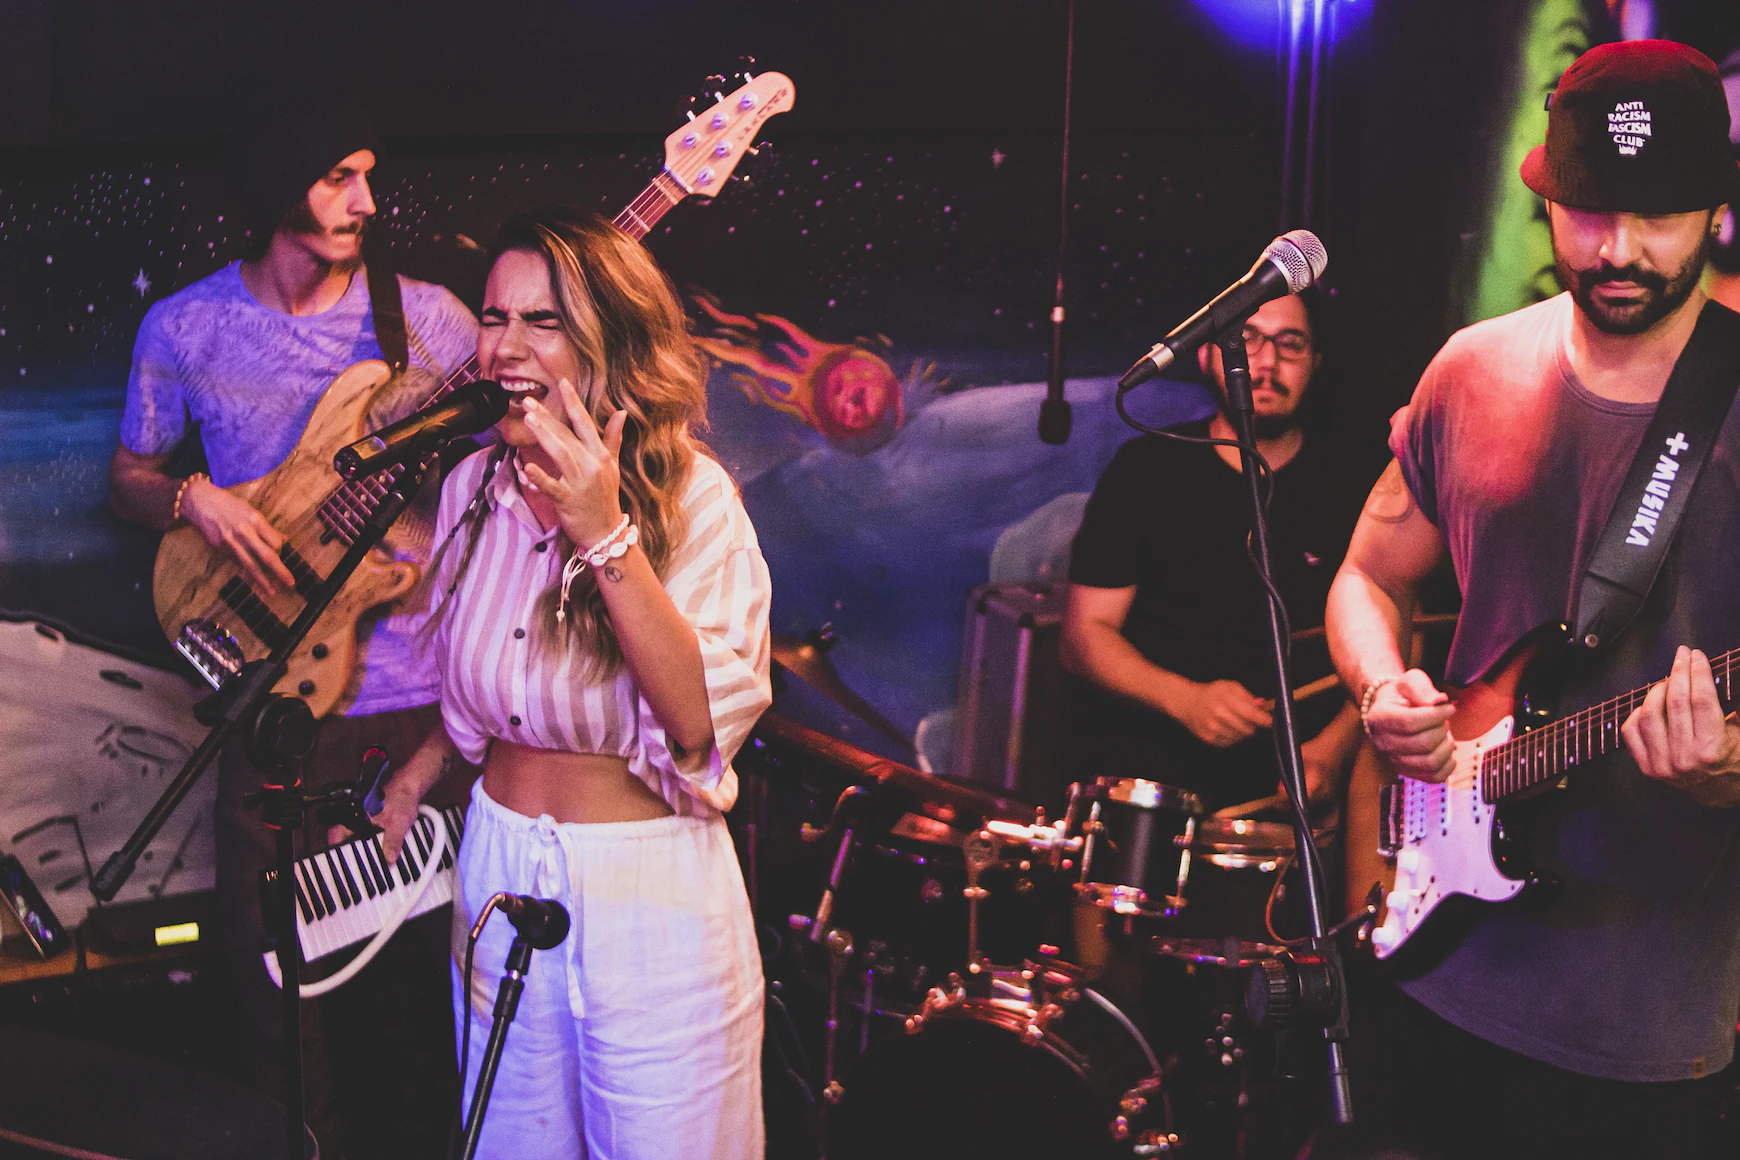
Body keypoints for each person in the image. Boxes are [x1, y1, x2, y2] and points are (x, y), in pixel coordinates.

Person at [1324, 39, 1740, 1159]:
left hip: (1637, 1027)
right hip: (1428, 969)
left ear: (1718, 212)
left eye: (1658, 216)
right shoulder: (1470, 367)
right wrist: (1383, 687)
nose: (1617, 250)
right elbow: (1368, 573)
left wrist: (1728, 765)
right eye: (1588, 212)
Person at [107, 104, 478, 1158]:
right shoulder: (186, 327)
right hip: (271, 698)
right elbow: (129, 477)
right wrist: (193, 501)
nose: (366, 200)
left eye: (368, 174)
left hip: (416, 707)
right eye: (336, 177)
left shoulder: (432, 323)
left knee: (422, 992)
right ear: (277, 186)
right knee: (278, 994)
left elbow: (511, 470)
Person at [361, 208, 771, 1158]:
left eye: (541, 322)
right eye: (495, 318)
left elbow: (700, 726)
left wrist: (604, 529)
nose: (504, 346)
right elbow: (498, 692)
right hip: (497, 866)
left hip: (647, 894)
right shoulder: (475, 486)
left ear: (608, 346)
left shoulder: (694, 500)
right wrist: (423, 772)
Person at [1061, 290, 1370, 815]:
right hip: (1148, 789)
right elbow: (1084, 636)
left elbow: (1401, 639)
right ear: (1206, 355)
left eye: (1290, 344)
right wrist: (1185, 700)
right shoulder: (1147, 471)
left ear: (1316, 363)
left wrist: (1333, 753)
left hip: (1293, 804)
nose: (1267, 361)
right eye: (1245, 339)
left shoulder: (1357, 490)